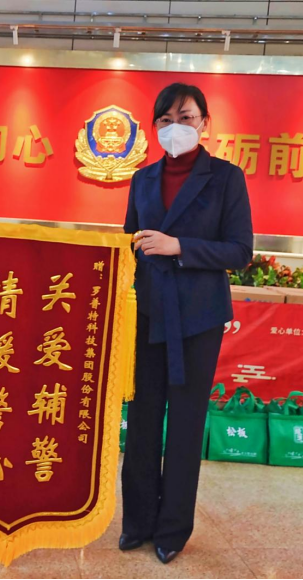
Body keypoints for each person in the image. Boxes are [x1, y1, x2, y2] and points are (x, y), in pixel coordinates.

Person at [120, 83, 253, 564]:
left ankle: (172, 529)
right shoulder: (143, 178)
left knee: (185, 422)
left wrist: (179, 247)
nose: (175, 127)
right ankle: (137, 522)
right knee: (142, 419)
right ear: (154, 126)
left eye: (186, 117)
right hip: (147, 312)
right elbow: (129, 242)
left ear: (204, 123)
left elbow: (240, 251)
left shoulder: (226, 178)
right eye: (165, 119)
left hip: (198, 317)